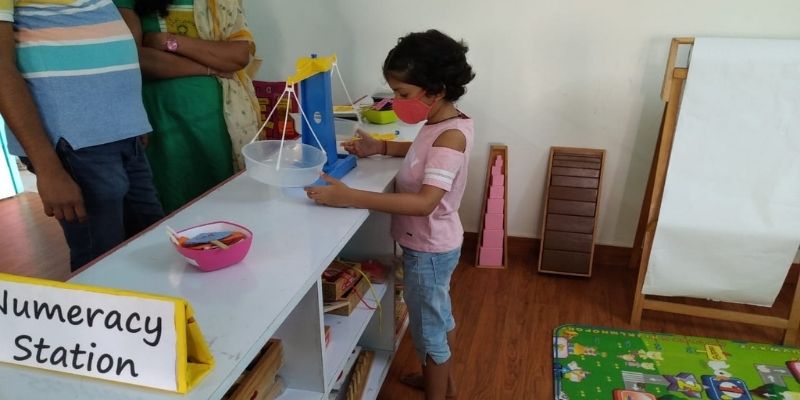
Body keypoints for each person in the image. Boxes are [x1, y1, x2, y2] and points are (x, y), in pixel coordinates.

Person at [305, 29, 476, 400]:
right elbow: (420, 154)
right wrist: (381, 146)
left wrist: (351, 196)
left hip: (429, 250)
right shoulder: (443, 123)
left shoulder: (450, 137)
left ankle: (438, 388)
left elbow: (425, 202)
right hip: (434, 245)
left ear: (435, 90)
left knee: (429, 330)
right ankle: (442, 382)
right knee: (437, 316)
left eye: (403, 94)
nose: (396, 103)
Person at [0, 0, 165, 272]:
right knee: (102, 260)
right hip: (74, 141)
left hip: (122, 130)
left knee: (150, 241)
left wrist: (131, 116)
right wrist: (47, 169)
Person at [114, 0, 261, 213]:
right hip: (161, 124)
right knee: (170, 212)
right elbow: (136, 58)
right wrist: (211, 68)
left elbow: (239, 55)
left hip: (221, 124)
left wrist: (171, 42)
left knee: (226, 208)